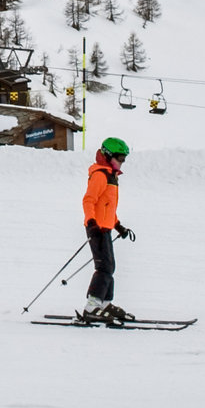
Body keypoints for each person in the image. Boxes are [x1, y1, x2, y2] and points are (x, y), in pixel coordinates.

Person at [81, 136, 136, 322]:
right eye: (120, 159)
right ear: (108, 155)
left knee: (110, 267)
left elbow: (107, 206)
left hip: (106, 228)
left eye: (123, 160)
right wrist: (91, 222)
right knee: (104, 267)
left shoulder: (111, 176)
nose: (122, 163)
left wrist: (118, 225)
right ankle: (91, 306)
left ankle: (103, 304)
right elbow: (89, 200)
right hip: (96, 228)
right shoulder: (100, 175)